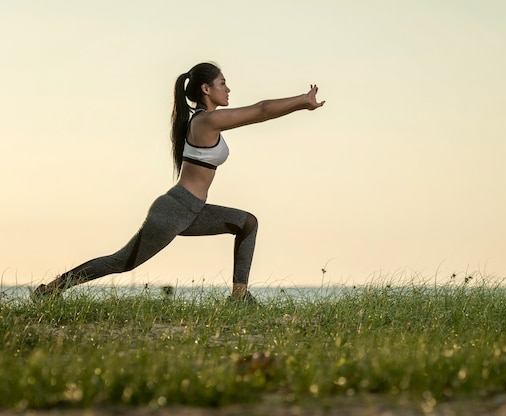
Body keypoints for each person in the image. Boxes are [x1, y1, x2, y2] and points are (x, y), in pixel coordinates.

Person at [34, 62, 325, 301]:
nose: (228, 89)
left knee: (247, 223)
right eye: (223, 83)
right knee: (121, 262)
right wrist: (302, 102)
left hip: (193, 210)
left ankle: (239, 298)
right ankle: (50, 291)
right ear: (206, 89)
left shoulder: (205, 121)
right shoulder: (205, 122)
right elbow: (261, 111)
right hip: (173, 211)